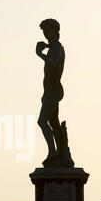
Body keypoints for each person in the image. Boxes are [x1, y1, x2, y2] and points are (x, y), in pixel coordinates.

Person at [36, 18, 65, 167]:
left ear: (55, 31)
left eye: (48, 30)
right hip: (49, 92)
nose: (46, 34)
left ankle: (53, 152)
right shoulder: (53, 47)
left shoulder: (57, 47)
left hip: (54, 91)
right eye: (44, 31)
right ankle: (59, 152)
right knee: (54, 123)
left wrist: (40, 54)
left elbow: (53, 63)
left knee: (42, 121)